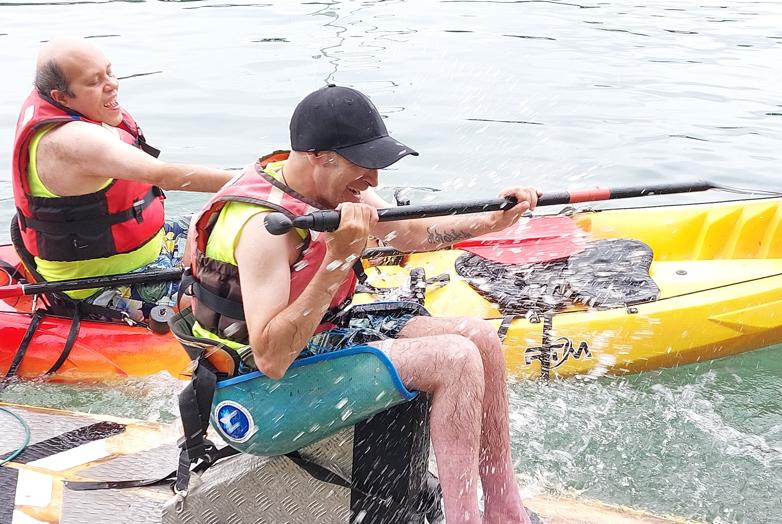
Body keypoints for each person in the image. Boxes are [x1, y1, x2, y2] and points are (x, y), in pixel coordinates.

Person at [184, 84, 539, 524]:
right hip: (254, 397)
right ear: (318, 155)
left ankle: (505, 511)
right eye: (365, 164)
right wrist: (338, 258)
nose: (374, 181)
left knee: (478, 336)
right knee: (454, 358)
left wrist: (492, 220)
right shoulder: (263, 229)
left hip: (315, 346)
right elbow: (272, 357)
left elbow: (412, 234)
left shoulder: (331, 189)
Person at [10, 37, 234, 321]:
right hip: (106, 284)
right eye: (94, 82)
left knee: (228, 220)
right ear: (61, 97)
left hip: (145, 249)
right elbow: (164, 175)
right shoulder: (70, 141)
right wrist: (256, 183)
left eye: (109, 72)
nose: (112, 84)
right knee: (236, 291)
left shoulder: (68, 112)